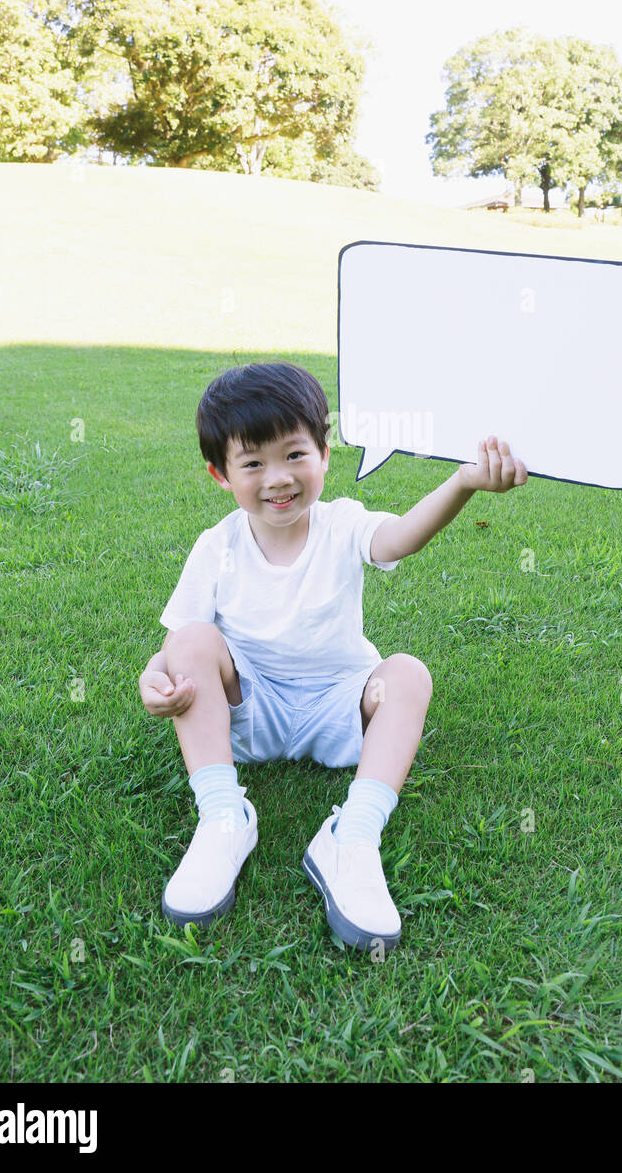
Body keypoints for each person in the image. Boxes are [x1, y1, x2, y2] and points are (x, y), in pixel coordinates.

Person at [138, 361, 528, 952]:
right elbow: (177, 647)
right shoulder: (215, 546)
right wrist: (154, 677)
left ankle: (354, 835)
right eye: (253, 463)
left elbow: (398, 538)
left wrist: (463, 483)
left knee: (408, 674)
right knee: (190, 639)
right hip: (250, 712)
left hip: (340, 710)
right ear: (220, 475)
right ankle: (223, 818)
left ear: (324, 452)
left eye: (295, 455)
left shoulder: (342, 523)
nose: (278, 479)